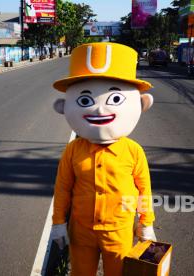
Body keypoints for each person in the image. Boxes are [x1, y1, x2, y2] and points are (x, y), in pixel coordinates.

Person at [51, 42, 157, 276]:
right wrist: (58, 222)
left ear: (141, 104)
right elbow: (63, 188)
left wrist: (146, 222)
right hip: (81, 232)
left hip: (119, 232)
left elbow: (144, 190)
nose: (99, 110)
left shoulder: (133, 151)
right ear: (63, 107)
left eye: (114, 99)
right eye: (86, 101)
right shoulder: (73, 150)